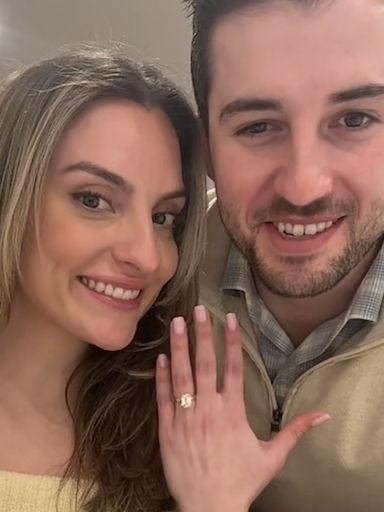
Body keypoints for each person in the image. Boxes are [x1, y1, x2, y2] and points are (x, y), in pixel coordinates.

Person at [0, 45, 325, 512]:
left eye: (163, 218)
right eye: (94, 200)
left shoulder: (174, 457)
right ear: (3, 202)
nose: (146, 257)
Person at [184, 0, 384, 510]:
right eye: (257, 126)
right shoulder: (146, 273)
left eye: (355, 119)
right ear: (206, 149)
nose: (303, 186)